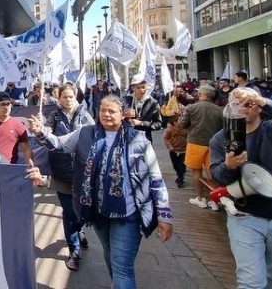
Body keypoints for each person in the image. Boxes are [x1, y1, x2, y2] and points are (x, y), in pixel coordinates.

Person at [28, 95, 174, 289]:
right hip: (97, 212)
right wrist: (40, 132)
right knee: (110, 253)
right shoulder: (84, 134)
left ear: (122, 115)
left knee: (123, 267)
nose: (106, 114)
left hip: (128, 214)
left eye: (112, 111)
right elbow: (58, 144)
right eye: (102, 110)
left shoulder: (139, 140)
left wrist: (164, 216)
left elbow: (156, 179)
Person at [210, 87, 272, 289]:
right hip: (246, 217)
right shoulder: (221, 139)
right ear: (230, 107)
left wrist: (265, 101)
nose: (243, 109)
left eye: (249, 104)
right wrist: (229, 166)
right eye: (237, 104)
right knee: (251, 282)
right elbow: (218, 177)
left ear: (258, 108)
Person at [43, 84, 96, 271]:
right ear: (59, 99)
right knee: (68, 211)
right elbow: (46, 133)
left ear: (76, 97)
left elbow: (94, 137)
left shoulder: (86, 116)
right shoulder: (54, 116)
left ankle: (79, 229)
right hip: (61, 171)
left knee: (80, 210)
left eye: (70, 96)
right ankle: (74, 251)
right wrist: (42, 130)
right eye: (64, 97)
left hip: (82, 172)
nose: (67, 99)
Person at [180, 84, 224, 210]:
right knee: (213, 173)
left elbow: (182, 124)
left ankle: (200, 199)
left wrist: (192, 129)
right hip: (213, 144)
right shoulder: (219, 110)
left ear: (201, 94)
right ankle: (215, 200)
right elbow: (223, 129)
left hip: (195, 143)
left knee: (196, 172)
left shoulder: (192, 108)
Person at [0, 92, 33, 165]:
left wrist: (30, 165)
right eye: (2, 104)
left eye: (8, 104)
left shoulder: (18, 125)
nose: (6, 107)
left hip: (9, 168)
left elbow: (26, 149)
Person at [122, 75, 162, 143]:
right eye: (138, 88)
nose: (142, 90)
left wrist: (141, 123)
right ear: (133, 88)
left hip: (145, 140)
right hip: (127, 138)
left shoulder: (153, 103)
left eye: (143, 87)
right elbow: (116, 117)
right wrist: (124, 115)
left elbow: (158, 124)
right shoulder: (125, 100)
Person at [162, 120, 188, 188]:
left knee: (182, 165)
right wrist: (169, 146)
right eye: (177, 121)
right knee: (175, 165)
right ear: (174, 122)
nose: (179, 123)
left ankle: (181, 179)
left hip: (183, 150)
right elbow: (165, 138)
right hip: (173, 150)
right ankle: (179, 175)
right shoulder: (170, 130)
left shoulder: (186, 129)